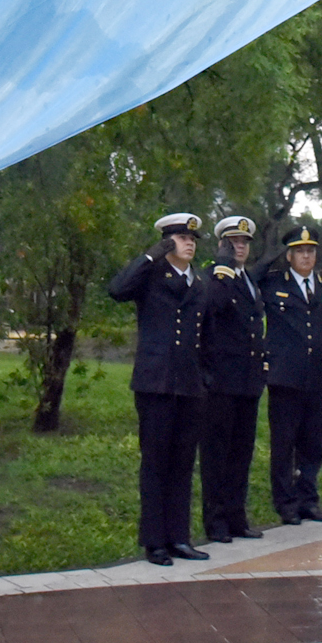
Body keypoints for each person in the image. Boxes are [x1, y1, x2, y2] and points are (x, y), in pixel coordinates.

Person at [111, 213, 212, 564]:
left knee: (183, 463)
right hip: (155, 383)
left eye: (192, 239)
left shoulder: (200, 282)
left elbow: (208, 334)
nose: (189, 243)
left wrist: (205, 378)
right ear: (167, 242)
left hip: (189, 384)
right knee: (155, 463)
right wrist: (151, 255)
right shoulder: (151, 276)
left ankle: (179, 538)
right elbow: (117, 289)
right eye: (181, 238)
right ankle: (154, 541)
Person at [260, 224, 322, 524]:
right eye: (299, 251)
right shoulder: (272, 283)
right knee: (284, 444)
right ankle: (286, 502)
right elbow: (248, 278)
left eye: (310, 251)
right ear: (289, 255)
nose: (306, 257)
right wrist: (271, 256)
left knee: (312, 444)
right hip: (285, 377)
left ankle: (308, 499)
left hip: (319, 377)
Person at [198, 215, 268, 546]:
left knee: (241, 452)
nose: (240, 247)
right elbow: (213, 306)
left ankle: (236, 516)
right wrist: (222, 266)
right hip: (221, 382)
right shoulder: (215, 277)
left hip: (248, 381)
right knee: (217, 455)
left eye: (244, 243)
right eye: (233, 242)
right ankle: (216, 521)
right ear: (221, 245)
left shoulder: (249, 280)